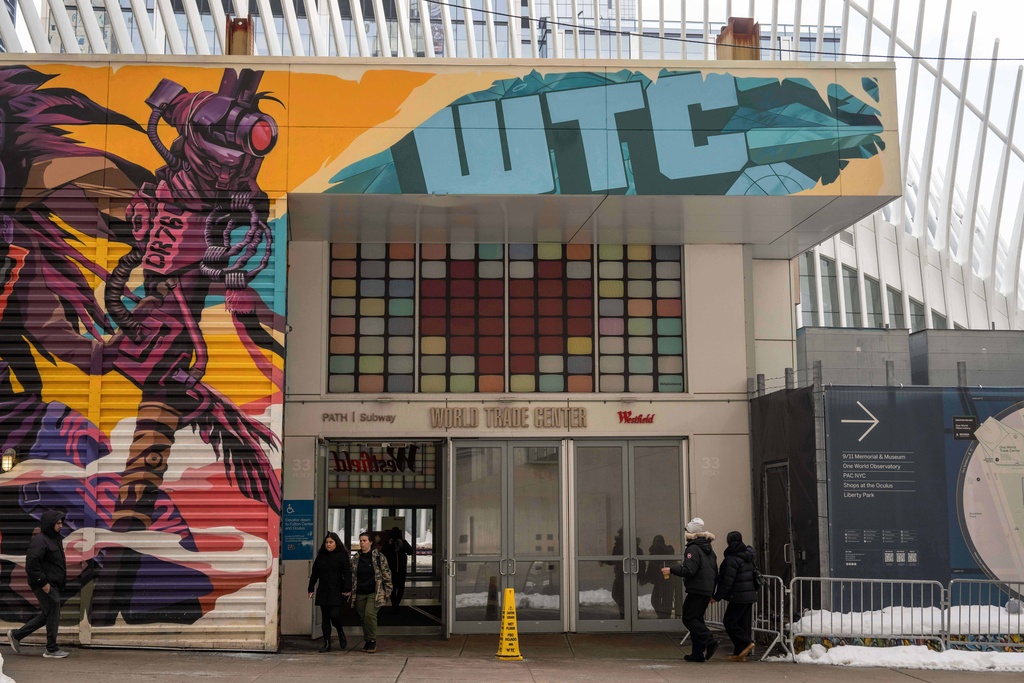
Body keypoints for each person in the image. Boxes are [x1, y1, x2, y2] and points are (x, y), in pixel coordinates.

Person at [7, 510, 70, 658]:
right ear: (50, 524)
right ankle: (51, 649)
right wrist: (43, 582)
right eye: (58, 523)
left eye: (61, 523)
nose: (61, 526)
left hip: (52, 583)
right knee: (53, 610)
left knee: (49, 614)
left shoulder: (55, 539)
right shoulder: (40, 540)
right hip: (43, 583)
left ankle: (17, 635)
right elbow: (31, 564)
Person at [662, 517, 718, 662]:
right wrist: (712, 592)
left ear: (690, 533)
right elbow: (714, 571)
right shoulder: (708, 550)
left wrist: (671, 569)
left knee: (688, 618)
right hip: (705, 589)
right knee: (697, 619)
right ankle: (697, 653)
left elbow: (689, 570)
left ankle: (709, 640)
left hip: (697, 589)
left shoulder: (692, 549)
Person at [714, 531, 758, 662]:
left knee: (729, 622)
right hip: (749, 595)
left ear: (728, 541)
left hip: (738, 596)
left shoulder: (732, 559)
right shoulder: (748, 556)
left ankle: (746, 642)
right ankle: (740, 653)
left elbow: (727, 581)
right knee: (743, 624)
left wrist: (717, 596)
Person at [307, 532, 353, 653]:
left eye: (331, 542)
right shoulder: (321, 556)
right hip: (323, 590)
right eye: (327, 542)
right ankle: (327, 643)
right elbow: (315, 573)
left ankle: (340, 631)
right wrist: (311, 588)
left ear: (336, 543)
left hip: (337, 590)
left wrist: (347, 588)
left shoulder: (342, 555)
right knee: (325, 618)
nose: (328, 544)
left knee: (334, 615)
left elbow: (347, 572)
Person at [349, 531, 392, 653]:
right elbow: (351, 575)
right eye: (360, 541)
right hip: (359, 592)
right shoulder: (355, 558)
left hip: (374, 592)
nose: (362, 543)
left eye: (364, 541)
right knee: (363, 618)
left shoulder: (378, 557)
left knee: (370, 615)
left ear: (371, 542)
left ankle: (372, 640)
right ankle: (367, 640)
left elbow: (386, 573)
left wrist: (388, 589)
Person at [382, 527, 414, 610]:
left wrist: (402, 545)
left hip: (401, 569)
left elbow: (410, 551)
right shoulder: (388, 543)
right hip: (391, 570)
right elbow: (383, 552)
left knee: (401, 587)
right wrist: (389, 545)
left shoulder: (403, 542)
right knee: (392, 587)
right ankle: (394, 603)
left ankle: (397, 603)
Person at [647, 534, 677, 619]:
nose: (656, 543)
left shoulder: (668, 549)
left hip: (668, 579)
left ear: (662, 542)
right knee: (654, 600)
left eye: (658, 541)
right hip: (659, 580)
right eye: (655, 541)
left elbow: (670, 556)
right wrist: (646, 577)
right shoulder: (653, 552)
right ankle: (662, 616)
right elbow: (651, 567)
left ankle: (666, 617)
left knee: (667, 600)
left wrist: (661, 548)